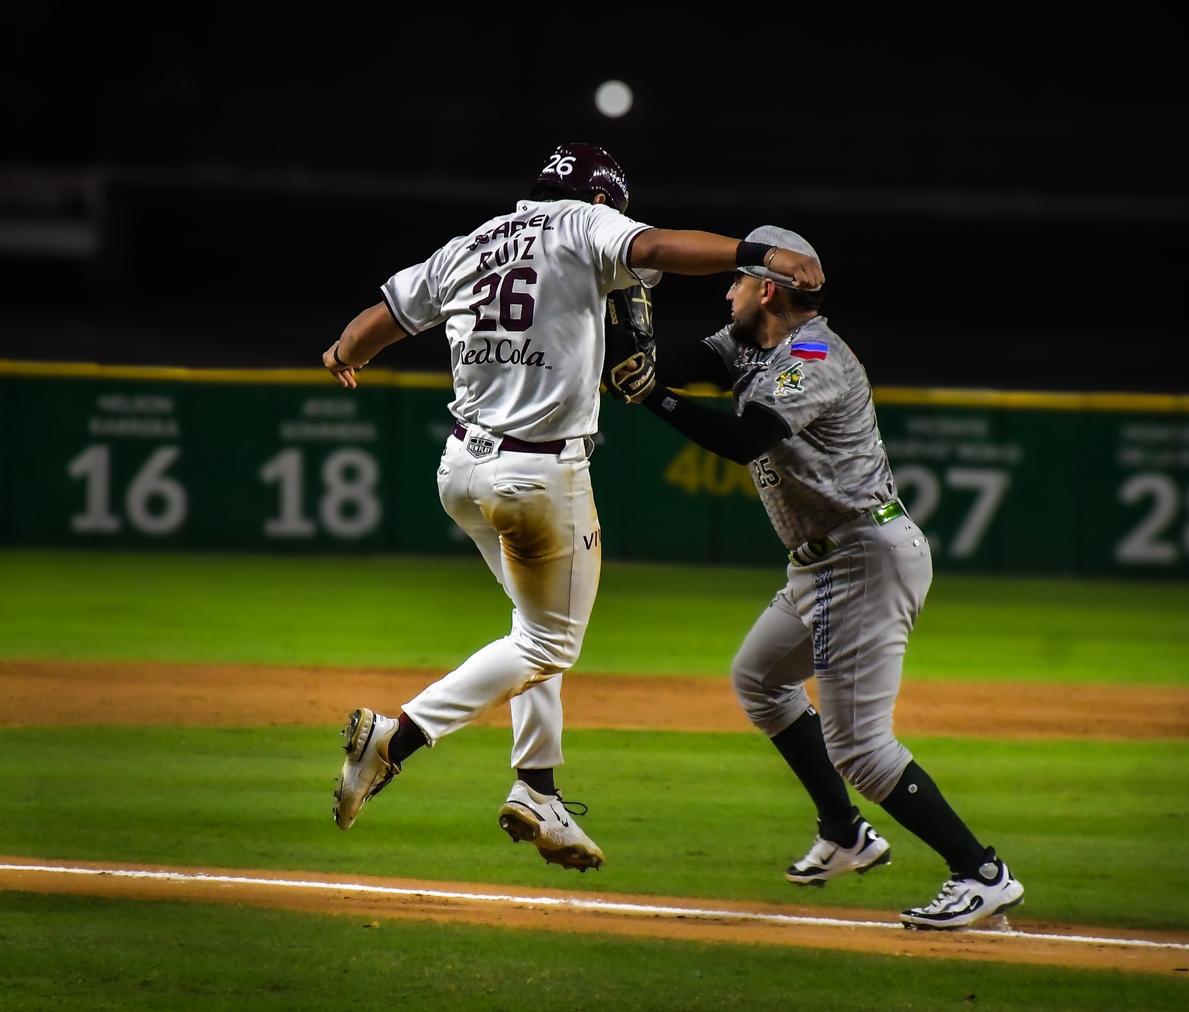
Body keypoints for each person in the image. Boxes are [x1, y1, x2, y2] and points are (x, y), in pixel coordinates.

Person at [320, 146, 823, 872]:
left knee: (534, 629)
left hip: (461, 469)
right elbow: (653, 248)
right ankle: (394, 739)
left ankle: (537, 790)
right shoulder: (585, 225)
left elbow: (384, 318)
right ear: (600, 199)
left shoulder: (470, 244)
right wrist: (754, 251)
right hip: (537, 475)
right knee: (548, 644)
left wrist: (343, 350)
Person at [610, 225, 1023, 927]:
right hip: (821, 559)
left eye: (737, 280)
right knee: (760, 679)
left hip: (862, 554)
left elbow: (745, 440)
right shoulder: (749, 341)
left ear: (767, 289)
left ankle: (981, 873)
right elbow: (683, 359)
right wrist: (630, 344)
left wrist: (652, 399)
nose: (730, 289)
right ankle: (845, 832)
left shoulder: (812, 353)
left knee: (861, 748)